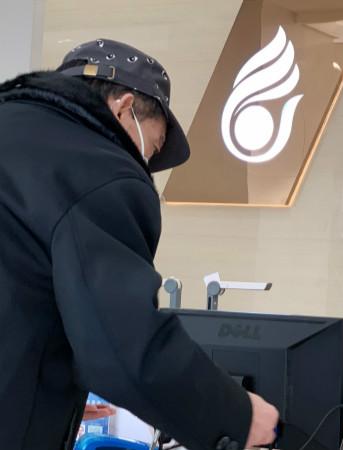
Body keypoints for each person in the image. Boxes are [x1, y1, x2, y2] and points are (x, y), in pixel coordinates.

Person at [0, 39, 278, 450]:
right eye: (155, 145)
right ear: (123, 108)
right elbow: (119, 346)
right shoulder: (96, 167)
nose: (145, 164)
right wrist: (237, 415)